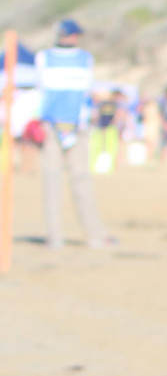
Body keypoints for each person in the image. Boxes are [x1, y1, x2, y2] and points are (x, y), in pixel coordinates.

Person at [33, 19, 111, 248]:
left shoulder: (84, 58)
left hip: (78, 125)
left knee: (81, 178)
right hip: (51, 124)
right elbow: (41, 91)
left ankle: (94, 234)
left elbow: (87, 90)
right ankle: (54, 236)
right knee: (51, 179)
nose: (72, 38)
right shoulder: (43, 57)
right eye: (69, 34)